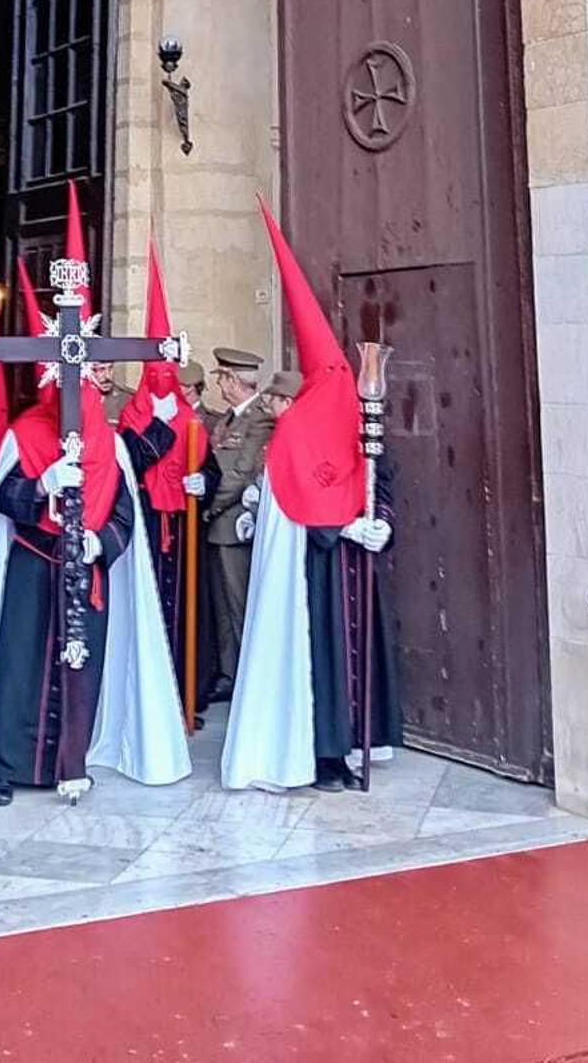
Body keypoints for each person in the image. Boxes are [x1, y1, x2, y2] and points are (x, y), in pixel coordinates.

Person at [0, 363, 191, 804]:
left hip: (86, 574)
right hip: (33, 568)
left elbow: (125, 515)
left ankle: (70, 764)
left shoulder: (110, 446)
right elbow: (5, 500)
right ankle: (9, 767)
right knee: (20, 667)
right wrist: (41, 485)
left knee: (82, 670)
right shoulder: (26, 434)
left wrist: (98, 542)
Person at [223, 206, 399, 794]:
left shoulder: (357, 421)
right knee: (317, 664)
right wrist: (338, 530)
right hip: (310, 574)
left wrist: (381, 525)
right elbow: (287, 498)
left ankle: (353, 747)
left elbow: (380, 478)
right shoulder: (293, 432)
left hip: (354, 569)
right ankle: (319, 755)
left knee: (354, 662)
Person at [117, 242, 222, 716]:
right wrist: (158, 426)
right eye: (154, 374)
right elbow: (130, 463)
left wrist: (206, 482)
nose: (163, 383)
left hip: (182, 530)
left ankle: (185, 692)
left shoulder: (190, 418)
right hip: (144, 524)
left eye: (168, 375)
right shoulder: (134, 416)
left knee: (185, 611)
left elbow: (209, 464)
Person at [202, 346, 274, 702]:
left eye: (222, 378)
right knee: (223, 609)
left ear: (233, 380)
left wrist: (208, 507)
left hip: (234, 526)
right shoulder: (227, 419)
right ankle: (231, 675)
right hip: (220, 526)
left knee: (240, 605)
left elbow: (241, 472)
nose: (220, 385)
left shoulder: (259, 418)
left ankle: (250, 681)